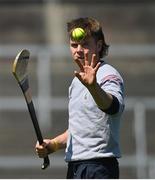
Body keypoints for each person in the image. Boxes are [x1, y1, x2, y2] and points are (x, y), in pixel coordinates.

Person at [35, 17, 125, 179]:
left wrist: (93, 87)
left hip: (99, 167)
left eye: (85, 44)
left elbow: (113, 107)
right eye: (74, 45)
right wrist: (53, 144)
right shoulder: (77, 82)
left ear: (98, 45)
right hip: (76, 166)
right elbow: (80, 131)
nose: (78, 50)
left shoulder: (108, 74)